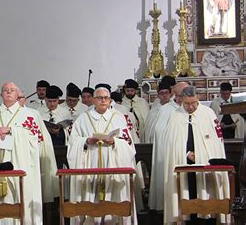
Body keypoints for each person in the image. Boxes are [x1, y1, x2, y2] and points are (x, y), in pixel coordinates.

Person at [0, 82, 43, 224]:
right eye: (5, 90)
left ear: (18, 95)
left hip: (17, 161)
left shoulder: (28, 114)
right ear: (1, 94)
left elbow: (34, 138)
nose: (9, 92)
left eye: (12, 90)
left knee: (16, 196)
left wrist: (12, 131)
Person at [67, 87, 137, 225]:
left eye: (106, 98)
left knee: (114, 200)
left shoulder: (119, 118)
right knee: (90, 199)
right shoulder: (83, 119)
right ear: (93, 100)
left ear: (110, 100)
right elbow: (72, 143)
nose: (103, 100)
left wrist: (114, 142)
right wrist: (86, 141)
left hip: (113, 165)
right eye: (99, 98)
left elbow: (129, 145)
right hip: (90, 166)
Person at [164, 86, 230, 224]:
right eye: (187, 103)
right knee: (188, 196)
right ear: (181, 100)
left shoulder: (208, 113)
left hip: (205, 165)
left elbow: (216, 142)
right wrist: (186, 153)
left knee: (207, 194)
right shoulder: (175, 116)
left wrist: (202, 153)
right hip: (184, 164)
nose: (190, 107)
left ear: (198, 98)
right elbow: (171, 144)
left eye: (193, 103)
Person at [148, 82, 188, 212]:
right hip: (172, 155)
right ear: (175, 95)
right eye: (181, 95)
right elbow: (160, 133)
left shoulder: (191, 108)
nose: (183, 98)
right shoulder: (167, 109)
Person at [17, 90, 59, 211]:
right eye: (17, 97)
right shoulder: (4, 114)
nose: (19, 100)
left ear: (25, 99)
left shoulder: (33, 114)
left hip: (33, 157)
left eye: (21, 97)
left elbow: (41, 138)